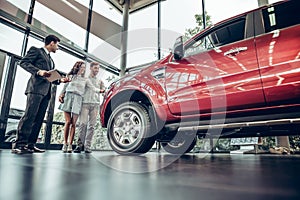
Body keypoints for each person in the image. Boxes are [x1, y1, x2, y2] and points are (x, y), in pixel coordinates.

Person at [12, 34, 69, 154]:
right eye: (57, 45)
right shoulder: (36, 51)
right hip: (35, 90)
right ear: (52, 43)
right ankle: (19, 145)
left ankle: (30, 145)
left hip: (46, 92)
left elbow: (50, 77)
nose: (57, 48)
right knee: (29, 116)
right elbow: (24, 63)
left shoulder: (51, 60)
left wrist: (60, 80)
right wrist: (39, 71)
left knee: (38, 119)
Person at [58, 61, 103, 153]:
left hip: (78, 100)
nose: (83, 69)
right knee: (67, 122)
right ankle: (65, 143)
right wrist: (61, 94)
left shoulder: (85, 79)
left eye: (84, 67)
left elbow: (93, 88)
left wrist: (101, 91)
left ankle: (70, 144)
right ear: (77, 67)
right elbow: (65, 87)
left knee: (74, 123)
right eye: (81, 67)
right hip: (68, 98)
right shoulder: (70, 76)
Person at [73, 62, 105, 153]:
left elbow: (103, 91)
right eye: (95, 68)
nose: (97, 70)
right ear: (91, 68)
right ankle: (79, 145)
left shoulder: (100, 81)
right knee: (82, 124)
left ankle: (87, 146)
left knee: (92, 126)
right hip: (85, 103)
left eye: (98, 68)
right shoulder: (84, 79)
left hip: (95, 105)